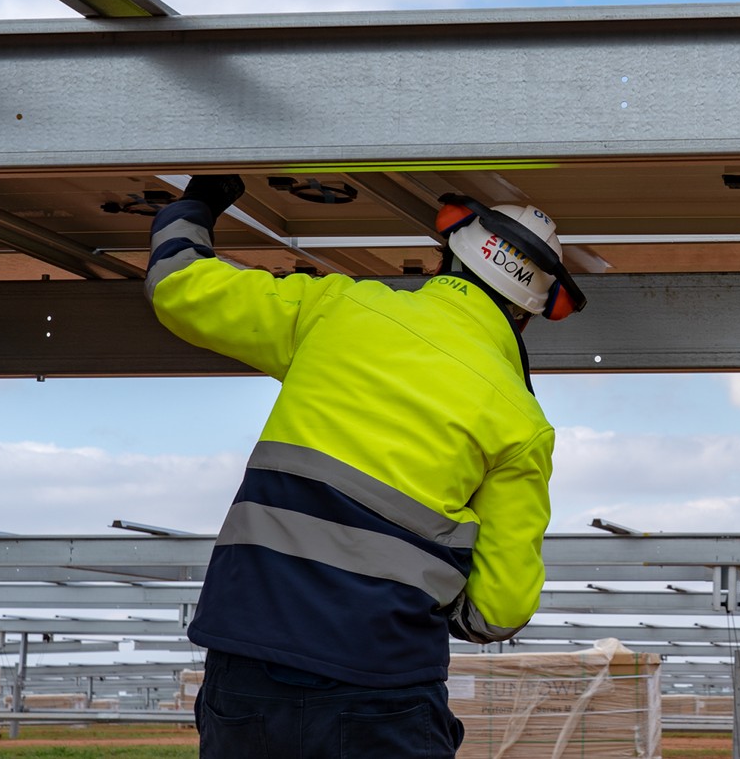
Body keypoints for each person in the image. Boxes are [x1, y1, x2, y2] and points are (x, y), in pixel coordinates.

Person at [146, 174, 587, 759]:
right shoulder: (521, 424)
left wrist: (194, 206)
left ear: (442, 260)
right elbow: (498, 609)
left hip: (250, 664)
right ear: (528, 316)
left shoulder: (340, 308)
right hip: (384, 686)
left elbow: (180, 288)